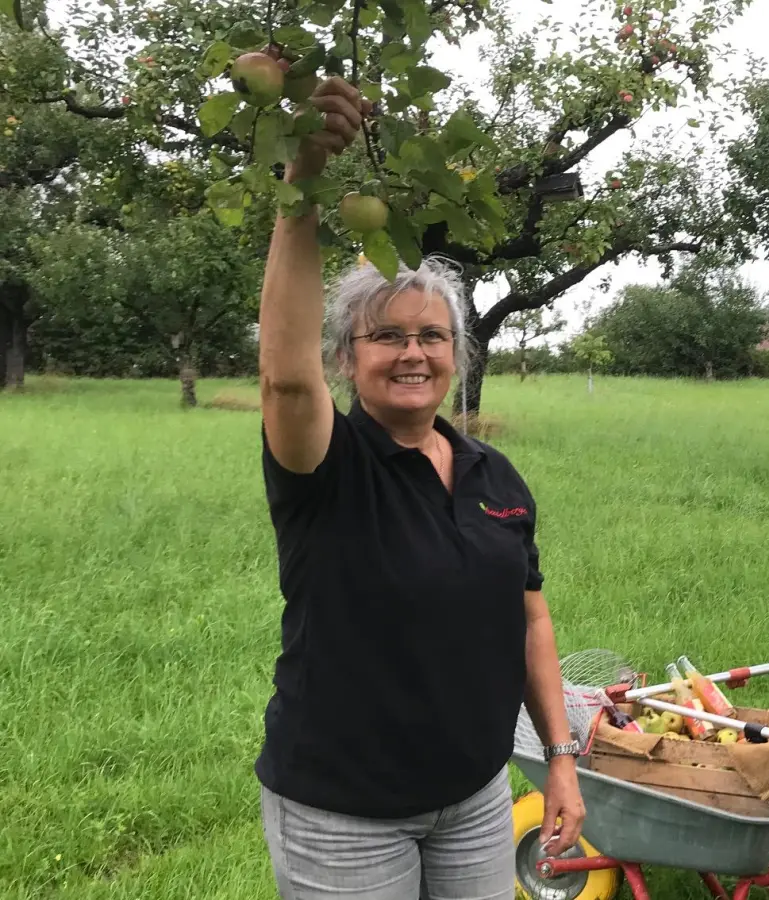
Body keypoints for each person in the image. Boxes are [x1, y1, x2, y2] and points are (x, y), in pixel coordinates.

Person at [252, 66, 584, 899]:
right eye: (386, 336)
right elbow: (285, 384)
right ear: (346, 358)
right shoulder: (327, 466)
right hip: (343, 812)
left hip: (473, 798)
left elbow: (530, 618)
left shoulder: (492, 474)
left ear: (457, 356)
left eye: (433, 336)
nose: (412, 353)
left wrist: (561, 759)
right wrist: (304, 189)